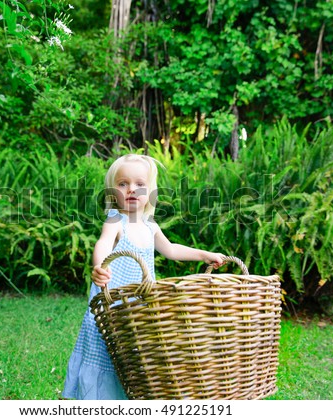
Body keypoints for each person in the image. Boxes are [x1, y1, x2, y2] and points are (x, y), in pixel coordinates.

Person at [62, 154, 227, 400]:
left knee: (133, 357)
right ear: (112, 191)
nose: (131, 189)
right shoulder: (116, 220)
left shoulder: (151, 226)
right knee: (106, 350)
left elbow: (171, 250)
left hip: (137, 306)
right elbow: (103, 243)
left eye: (140, 184)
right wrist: (100, 267)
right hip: (112, 302)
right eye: (122, 184)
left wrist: (203, 255)